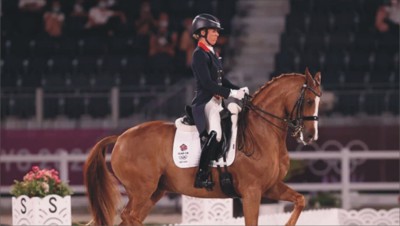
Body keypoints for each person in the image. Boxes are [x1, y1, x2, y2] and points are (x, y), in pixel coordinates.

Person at [190, 13, 248, 190]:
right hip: (206, 102)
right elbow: (208, 84)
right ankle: (201, 174)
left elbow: (222, 81)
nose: (217, 35)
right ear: (202, 32)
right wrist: (231, 93)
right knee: (216, 133)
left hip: (217, 102)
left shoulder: (212, 53)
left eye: (217, 32)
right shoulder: (199, 55)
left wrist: (238, 90)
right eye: (213, 31)